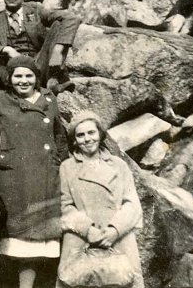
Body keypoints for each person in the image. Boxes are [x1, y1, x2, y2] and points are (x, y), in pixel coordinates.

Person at [0, 56, 69, 288]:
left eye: (28, 76)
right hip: (17, 176)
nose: (23, 81)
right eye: (18, 76)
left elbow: (60, 135)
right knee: (17, 236)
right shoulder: (3, 100)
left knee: (41, 238)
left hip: (46, 174)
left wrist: (62, 163)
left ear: (36, 78)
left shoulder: (48, 99)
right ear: (10, 79)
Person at [58, 111, 144, 288]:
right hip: (81, 238)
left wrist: (115, 230)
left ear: (100, 134)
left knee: (125, 280)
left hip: (118, 238)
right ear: (74, 140)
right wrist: (88, 230)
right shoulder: (67, 167)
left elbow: (132, 204)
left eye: (91, 133)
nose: (87, 139)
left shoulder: (119, 165)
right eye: (80, 135)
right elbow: (65, 205)